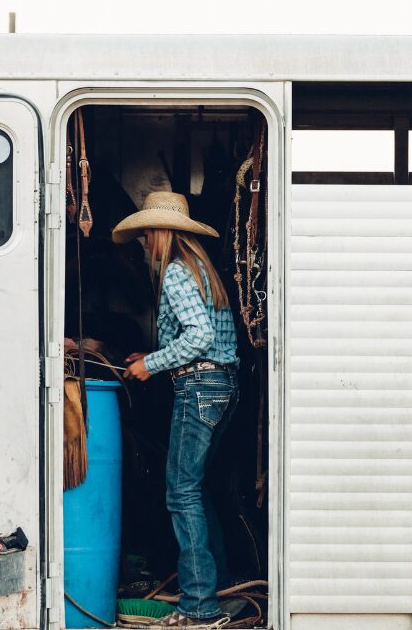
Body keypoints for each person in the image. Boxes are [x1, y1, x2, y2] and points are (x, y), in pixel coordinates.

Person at [113, 191, 239, 628]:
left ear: (161, 232)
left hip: (200, 384)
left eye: (147, 232)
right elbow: (201, 335)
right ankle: (221, 590)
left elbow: (199, 337)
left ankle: (200, 607)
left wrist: (151, 363)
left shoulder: (175, 274)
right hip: (223, 385)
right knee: (197, 490)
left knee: (181, 492)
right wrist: (150, 356)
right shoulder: (203, 270)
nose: (145, 241)